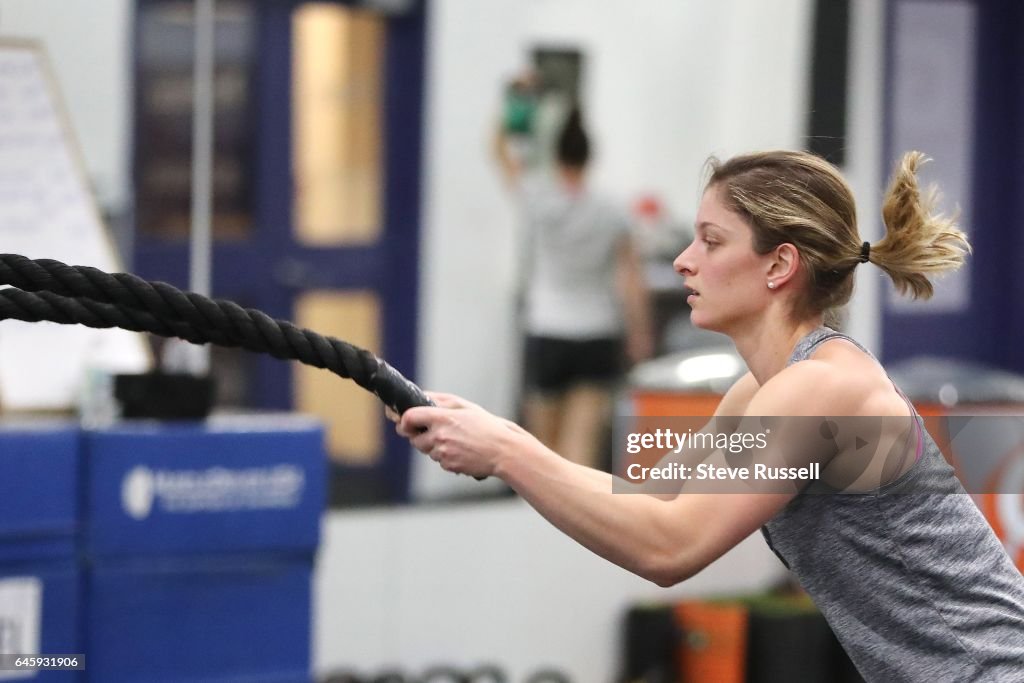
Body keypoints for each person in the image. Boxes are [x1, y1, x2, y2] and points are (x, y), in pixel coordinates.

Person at [395, 150, 1024, 680]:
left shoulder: (822, 389)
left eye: (711, 241)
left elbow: (671, 546)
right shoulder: (760, 392)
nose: (683, 260)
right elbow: (652, 499)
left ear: (779, 265)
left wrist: (507, 452)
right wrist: (502, 434)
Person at [493, 99, 653, 469]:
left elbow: (500, 152)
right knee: (580, 449)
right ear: (590, 157)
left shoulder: (538, 198)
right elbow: (631, 277)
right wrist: (640, 333)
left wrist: (513, 104)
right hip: (598, 331)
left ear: (556, 157)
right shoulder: (613, 209)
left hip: (548, 328)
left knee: (540, 452)